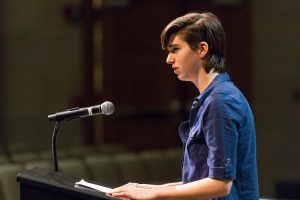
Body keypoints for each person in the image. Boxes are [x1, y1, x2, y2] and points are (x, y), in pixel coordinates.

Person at [108, 12, 259, 200]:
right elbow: (202, 180)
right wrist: (145, 189)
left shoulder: (221, 101)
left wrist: (155, 193)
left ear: (202, 49)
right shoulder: (213, 98)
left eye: (175, 49)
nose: (168, 59)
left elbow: (220, 184)